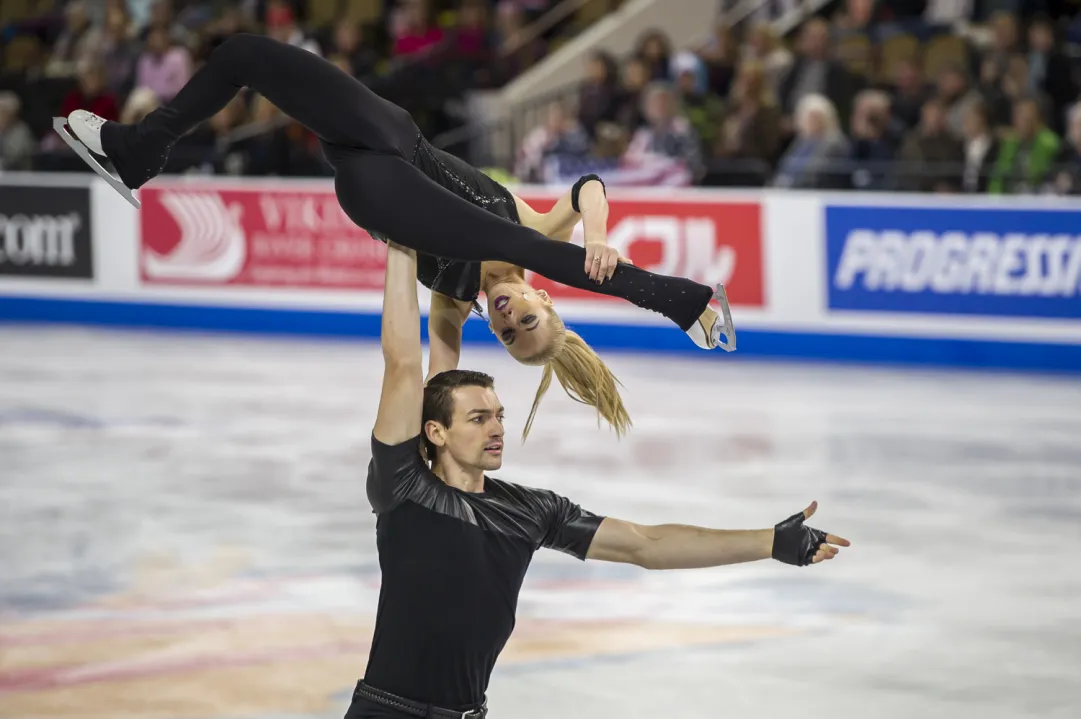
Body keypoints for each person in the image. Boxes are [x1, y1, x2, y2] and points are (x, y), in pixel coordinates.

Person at [58, 33, 734, 439]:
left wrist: (446, 450)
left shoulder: (449, 306)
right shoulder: (537, 230)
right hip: (389, 133)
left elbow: (436, 382)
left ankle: (683, 300)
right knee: (241, 55)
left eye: (505, 335)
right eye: (526, 318)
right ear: (547, 303)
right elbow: (588, 185)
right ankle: (141, 148)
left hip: (369, 188)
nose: (506, 317)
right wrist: (597, 232)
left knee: (507, 246)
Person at [353, 239, 850, 719]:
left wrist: (770, 542)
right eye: (479, 419)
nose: (498, 428)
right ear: (435, 431)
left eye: (500, 415)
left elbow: (646, 545)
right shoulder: (404, 486)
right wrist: (401, 236)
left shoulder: (532, 511)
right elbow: (402, 362)